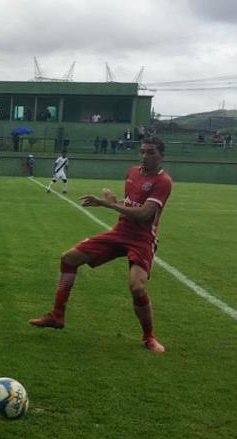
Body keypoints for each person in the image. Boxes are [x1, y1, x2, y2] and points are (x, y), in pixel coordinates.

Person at [29, 137, 173, 353]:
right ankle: (57, 315)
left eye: (150, 152)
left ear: (161, 155)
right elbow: (131, 204)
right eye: (142, 151)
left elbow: (145, 213)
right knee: (69, 258)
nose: (144, 156)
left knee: (137, 287)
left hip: (142, 239)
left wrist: (108, 205)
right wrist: (115, 202)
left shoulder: (163, 181)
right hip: (120, 232)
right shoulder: (132, 172)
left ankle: (149, 337)